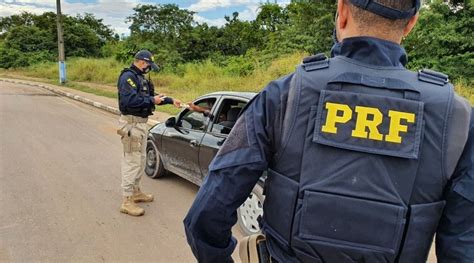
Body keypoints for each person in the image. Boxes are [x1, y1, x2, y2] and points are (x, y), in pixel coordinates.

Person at [183, 0, 473, 262]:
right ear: (411, 24)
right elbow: (463, 245)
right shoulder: (457, 117)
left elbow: (205, 216)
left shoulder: (284, 95)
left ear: (342, 11)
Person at [117, 50, 180, 216]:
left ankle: (136, 192)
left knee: (141, 160)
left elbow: (152, 97)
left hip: (141, 124)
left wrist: (170, 100)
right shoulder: (127, 78)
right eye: (149, 66)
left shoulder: (141, 79)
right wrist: (152, 100)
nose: (149, 69)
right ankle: (126, 200)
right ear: (142, 63)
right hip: (131, 124)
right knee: (131, 161)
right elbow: (129, 100)